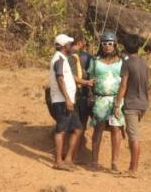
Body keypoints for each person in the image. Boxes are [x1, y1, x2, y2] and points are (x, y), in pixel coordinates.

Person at [87, 30, 126, 173]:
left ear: (115, 45)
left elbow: (125, 81)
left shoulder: (122, 61)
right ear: (101, 45)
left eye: (110, 43)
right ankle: (94, 161)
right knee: (99, 128)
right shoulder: (95, 61)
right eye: (104, 43)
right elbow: (90, 78)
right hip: (101, 99)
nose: (107, 46)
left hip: (117, 98)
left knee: (116, 129)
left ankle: (114, 162)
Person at [115, 39, 150, 178]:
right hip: (143, 103)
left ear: (125, 48)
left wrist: (117, 104)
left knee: (133, 136)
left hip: (131, 103)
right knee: (132, 135)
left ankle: (133, 169)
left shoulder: (127, 63)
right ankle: (131, 167)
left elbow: (123, 85)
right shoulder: (144, 63)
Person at [47, 33, 81, 170]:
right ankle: (58, 161)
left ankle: (67, 159)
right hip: (62, 101)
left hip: (66, 100)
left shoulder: (62, 59)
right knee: (61, 130)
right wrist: (67, 99)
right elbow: (60, 79)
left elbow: (68, 76)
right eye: (69, 44)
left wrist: (85, 82)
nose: (71, 46)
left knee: (78, 129)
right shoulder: (59, 60)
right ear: (64, 46)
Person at [70, 34, 95, 158]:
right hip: (81, 94)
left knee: (70, 124)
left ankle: (70, 153)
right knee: (80, 125)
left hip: (68, 94)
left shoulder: (64, 54)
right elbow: (91, 75)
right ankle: (75, 154)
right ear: (81, 42)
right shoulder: (87, 57)